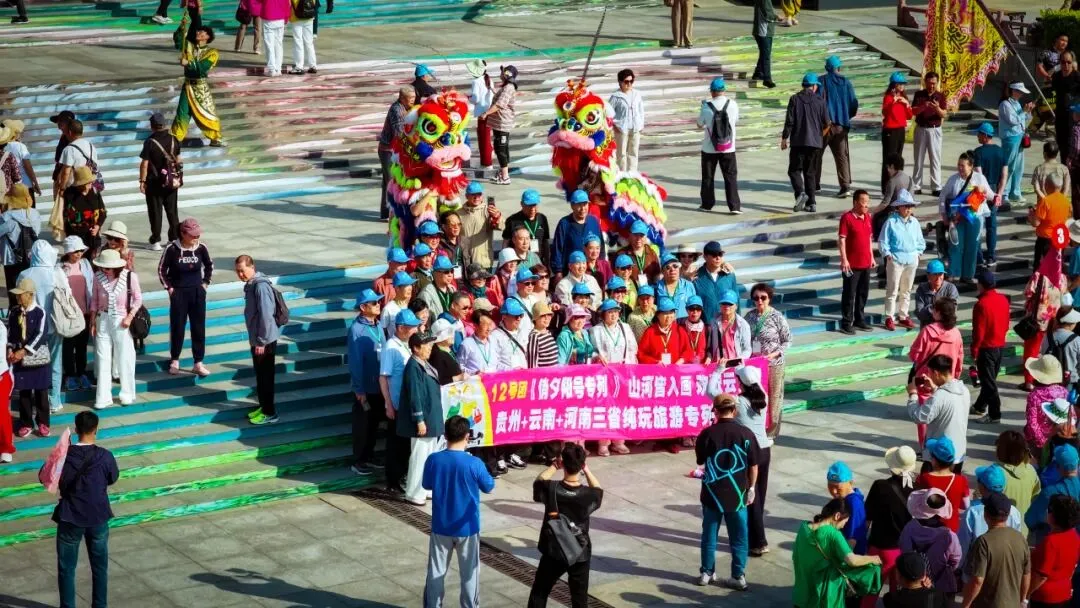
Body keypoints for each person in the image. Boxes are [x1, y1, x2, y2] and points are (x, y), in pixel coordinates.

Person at [422, 415, 496, 608]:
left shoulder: (434, 460)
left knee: (436, 572)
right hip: (468, 528)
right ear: (467, 436)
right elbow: (489, 486)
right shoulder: (474, 464)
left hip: (441, 526)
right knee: (469, 575)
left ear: (445, 435)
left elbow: (426, 484)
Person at [53, 411, 119, 608]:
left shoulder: (64, 456)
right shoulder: (105, 456)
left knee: (66, 569)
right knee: (99, 568)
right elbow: (112, 478)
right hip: (98, 516)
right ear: (96, 429)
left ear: (76, 430)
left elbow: (47, 476)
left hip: (70, 517)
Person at [694, 393, 759, 590]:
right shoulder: (746, 434)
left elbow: (700, 462)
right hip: (738, 496)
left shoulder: (707, 434)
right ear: (735, 410)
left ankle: (707, 572)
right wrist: (752, 488)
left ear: (715, 410)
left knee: (709, 536)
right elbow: (754, 466)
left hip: (712, 495)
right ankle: (738, 576)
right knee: (739, 538)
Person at [527, 443, 603, 608]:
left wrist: (554, 465)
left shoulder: (551, 488)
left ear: (563, 463)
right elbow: (598, 489)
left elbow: (539, 481)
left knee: (540, 592)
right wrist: (586, 469)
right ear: (581, 465)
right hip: (579, 551)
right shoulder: (589, 495)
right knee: (579, 598)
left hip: (554, 550)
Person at [792, 498, 883, 608]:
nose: (843, 526)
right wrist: (872, 559)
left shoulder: (804, 527)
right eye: (845, 522)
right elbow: (852, 560)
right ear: (837, 516)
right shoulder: (833, 534)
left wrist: (846, 546)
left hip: (802, 592)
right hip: (822, 595)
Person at [158, 218, 212, 377]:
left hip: (197, 292)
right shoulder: (172, 249)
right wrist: (170, 289)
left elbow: (209, 266)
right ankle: (175, 359)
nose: (196, 237)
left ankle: (198, 362)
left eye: (197, 234)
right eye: (192, 235)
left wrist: (205, 284)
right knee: (177, 327)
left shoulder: (201, 248)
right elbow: (161, 270)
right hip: (179, 293)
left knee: (198, 327)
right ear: (183, 234)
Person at [863, 446, 917, 606]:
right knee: (896, 595)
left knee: (870, 593)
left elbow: (867, 519)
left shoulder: (880, 486)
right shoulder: (917, 489)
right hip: (903, 550)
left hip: (880, 548)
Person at [89, 249, 140, 411]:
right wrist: (92, 322)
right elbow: (94, 301)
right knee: (102, 358)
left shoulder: (129, 276)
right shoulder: (98, 278)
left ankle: (127, 393)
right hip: (103, 319)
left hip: (121, 320)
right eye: (103, 267)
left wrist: (129, 317)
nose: (105, 270)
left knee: (124, 357)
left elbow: (138, 299)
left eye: (108, 268)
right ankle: (103, 397)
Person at [17, 241, 64, 415]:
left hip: (31, 328)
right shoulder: (56, 273)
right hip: (55, 324)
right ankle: (54, 400)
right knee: (55, 363)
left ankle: (34, 404)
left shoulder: (24, 274)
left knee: (33, 365)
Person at [961, 492, 1031, 608]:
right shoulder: (1020, 538)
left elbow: (978, 580)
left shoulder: (983, 541)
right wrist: (1022, 600)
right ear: (1008, 515)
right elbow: (1026, 574)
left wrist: (965, 605)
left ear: (985, 514)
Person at [397, 331, 443, 507]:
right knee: (420, 456)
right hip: (423, 420)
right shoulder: (413, 367)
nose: (430, 348)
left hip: (431, 417)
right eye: (427, 345)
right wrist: (419, 420)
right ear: (416, 348)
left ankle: (426, 488)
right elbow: (415, 396)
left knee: (430, 455)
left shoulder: (424, 364)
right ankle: (414, 492)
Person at [732, 367, 772, 558]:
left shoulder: (739, 402)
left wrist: (719, 370)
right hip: (765, 450)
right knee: (759, 497)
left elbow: (711, 393)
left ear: (742, 383)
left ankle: (759, 542)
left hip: (751, 453)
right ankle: (755, 536)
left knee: (750, 497)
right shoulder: (762, 395)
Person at [346, 288, 386, 477]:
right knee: (363, 426)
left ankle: (369, 456)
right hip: (366, 388)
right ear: (363, 307)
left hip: (380, 385)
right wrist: (358, 389)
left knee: (374, 424)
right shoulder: (356, 329)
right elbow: (355, 362)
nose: (378, 305)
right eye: (374, 303)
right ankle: (359, 461)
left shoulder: (377, 325)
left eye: (378, 302)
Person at [235, 255, 279, 425]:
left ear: (252, 267)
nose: (240, 274)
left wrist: (261, 341)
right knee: (261, 376)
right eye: (237, 271)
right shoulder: (252, 284)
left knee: (265, 377)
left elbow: (266, 316)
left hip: (264, 340)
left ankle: (270, 412)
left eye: (243, 270)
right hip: (258, 338)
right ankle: (264, 406)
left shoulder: (260, 286)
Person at [939, 153, 995, 282]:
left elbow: (990, 194)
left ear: (971, 166)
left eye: (962, 166)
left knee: (972, 246)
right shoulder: (953, 179)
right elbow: (943, 196)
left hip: (974, 218)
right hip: (957, 218)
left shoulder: (979, 178)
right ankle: (954, 273)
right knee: (955, 245)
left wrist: (994, 196)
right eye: (958, 165)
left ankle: (968, 275)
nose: (960, 168)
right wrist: (944, 216)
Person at [745, 283, 791, 438]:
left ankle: (771, 430)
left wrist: (776, 353)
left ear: (769, 298)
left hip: (773, 364)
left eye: (763, 297)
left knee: (774, 397)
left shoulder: (777, 317)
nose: (760, 301)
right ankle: (757, 427)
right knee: (756, 396)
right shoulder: (749, 317)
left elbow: (787, 340)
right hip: (755, 365)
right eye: (756, 298)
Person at [907, 343, 968, 459]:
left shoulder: (939, 397)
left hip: (940, 455)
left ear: (936, 373)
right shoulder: (963, 389)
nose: (929, 376)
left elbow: (919, 417)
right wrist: (935, 388)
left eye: (930, 373)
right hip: (959, 452)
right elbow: (947, 401)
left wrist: (913, 394)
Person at [898, 488, 961, 596]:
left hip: (914, 582)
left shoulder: (910, 527)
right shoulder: (949, 535)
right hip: (940, 583)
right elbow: (955, 559)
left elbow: (904, 550)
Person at [782, 73, 831, 213]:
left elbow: (789, 122)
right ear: (814, 86)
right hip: (815, 143)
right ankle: (812, 203)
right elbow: (828, 123)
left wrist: (784, 138)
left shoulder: (794, 99)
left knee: (794, 170)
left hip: (798, 142)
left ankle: (800, 193)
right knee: (810, 173)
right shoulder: (820, 101)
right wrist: (819, 136)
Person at [879, 189, 925, 331]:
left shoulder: (915, 222)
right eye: (906, 206)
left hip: (911, 259)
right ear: (899, 207)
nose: (908, 209)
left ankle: (903, 316)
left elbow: (920, 241)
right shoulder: (891, 222)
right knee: (892, 290)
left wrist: (918, 253)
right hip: (896, 259)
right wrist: (887, 255)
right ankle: (889, 317)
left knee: (907, 290)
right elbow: (883, 241)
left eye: (910, 206)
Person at [9, 278, 50, 438]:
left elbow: (40, 334)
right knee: (24, 393)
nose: (18, 298)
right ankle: (26, 423)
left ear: (30, 295)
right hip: (20, 360)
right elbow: (11, 333)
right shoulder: (14, 312)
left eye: (21, 295)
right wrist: (10, 349)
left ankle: (43, 422)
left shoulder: (40, 312)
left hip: (36, 359)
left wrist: (24, 351)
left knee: (41, 393)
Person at [1022, 251, 1068, 390]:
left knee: (1031, 351)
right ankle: (1046, 378)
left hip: (1038, 321)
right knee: (1048, 350)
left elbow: (1028, 292)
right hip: (1054, 321)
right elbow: (1064, 294)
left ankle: (1029, 381)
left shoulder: (1039, 276)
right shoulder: (1062, 277)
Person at [172, 27, 224, 147]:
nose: (198, 33)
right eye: (197, 31)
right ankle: (176, 137)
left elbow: (202, 68)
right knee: (182, 112)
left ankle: (215, 138)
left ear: (207, 37)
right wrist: (182, 26)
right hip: (188, 85)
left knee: (207, 113)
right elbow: (179, 41)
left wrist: (188, 63)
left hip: (200, 88)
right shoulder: (190, 47)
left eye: (201, 32)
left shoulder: (213, 53)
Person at [697, 77, 742, 214]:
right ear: (724, 91)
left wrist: (704, 111)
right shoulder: (733, 104)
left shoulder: (706, 107)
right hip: (728, 147)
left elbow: (699, 124)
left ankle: (707, 204)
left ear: (712, 92)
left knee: (708, 177)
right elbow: (736, 121)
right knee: (730, 177)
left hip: (709, 149)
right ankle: (734, 206)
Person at [815, 55, 858, 198]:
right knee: (842, 157)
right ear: (838, 67)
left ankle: (815, 184)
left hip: (825, 127)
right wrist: (846, 116)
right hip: (841, 126)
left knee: (817, 154)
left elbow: (818, 102)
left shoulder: (821, 81)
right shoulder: (846, 82)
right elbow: (854, 103)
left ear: (827, 68)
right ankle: (845, 186)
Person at [139, 111, 182, 250]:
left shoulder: (149, 142)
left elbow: (144, 163)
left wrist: (142, 181)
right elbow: (178, 159)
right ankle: (174, 239)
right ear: (164, 124)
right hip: (171, 183)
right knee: (172, 212)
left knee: (155, 212)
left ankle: (156, 241)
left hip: (154, 183)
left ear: (152, 126)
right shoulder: (173, 139)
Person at [959, 465, 1021, 559]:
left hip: (976, 567)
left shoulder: (972, 512)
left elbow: (963, 545)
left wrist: (958, 569)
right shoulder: (1015, 512)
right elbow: (1016, 542)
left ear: (982, 487)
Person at [1028, 494, 1080, 608]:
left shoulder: (1051, 541)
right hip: (1064, 592)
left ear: (1054, 516)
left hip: (1045, 598)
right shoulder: (1074, 535)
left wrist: (1026, 593)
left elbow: (1041, 576)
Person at [970, 272, 1009, 422]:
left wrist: (974, 349)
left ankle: (994, 414)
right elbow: (1005, 324)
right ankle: (980, 406)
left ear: (981, 285)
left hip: (986, 348)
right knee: (989, 380)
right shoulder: (1003, 299)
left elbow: (979, 332)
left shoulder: (981, 305)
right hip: (1000, 345)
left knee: (989, 382)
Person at [838, 189, 875, 334]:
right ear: (855, 202)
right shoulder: (847, 218)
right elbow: (842, 240)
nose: (866, 205)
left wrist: (871, 257)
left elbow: (869, 239)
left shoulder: (867, 217)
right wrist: (844, 259)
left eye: (867, 202)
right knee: (849, 294)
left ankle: (860, 319)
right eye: (863, 202)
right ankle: (847, 322)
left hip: (865, 263)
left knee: (863, 293)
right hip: (851, 265)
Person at [59, 236, 93, 392]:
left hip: (84, 313)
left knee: (82, 346)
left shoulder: (85, 264)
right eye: (75, 251)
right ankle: (70, 375)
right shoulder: (59, 267)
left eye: (80, 250)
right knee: (68, 347)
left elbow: (91, 286)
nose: (79, 254)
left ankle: (81, 373)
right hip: (69, 315)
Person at [915, 437, 970, 531]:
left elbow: (916, 503)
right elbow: (966, 505)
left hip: (927, 526)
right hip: (951, 527)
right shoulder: (961, 480)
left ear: (934, 459)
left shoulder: (923, 478)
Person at [0, 184, 40, 310]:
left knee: (14, 293)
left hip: (11, 259)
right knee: (29, 290)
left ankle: (16, 318)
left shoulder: (6, 217)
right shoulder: (35, 214)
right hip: (30, 258)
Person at [377, 88, 416, 220]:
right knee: (390, 181)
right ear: (402, 98)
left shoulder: (406, 108)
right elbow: (400, 133)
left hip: (393, 149)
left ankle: (385, 211)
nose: (413, 101)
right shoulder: (397, 110)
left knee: (387, 181)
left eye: (414, 97)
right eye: (411, 98)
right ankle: (391, 212)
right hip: (387, 150)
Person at [1027, 444, 1080, 537]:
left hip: (1051, 541)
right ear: (1078, 464)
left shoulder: (1049, 492)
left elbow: (1030, 519)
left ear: (1058, 467)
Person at [995, 430, 1041, 536]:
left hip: (999, 533)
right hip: (1022, 532)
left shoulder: (996, 473)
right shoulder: (1031, 471)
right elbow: (1036, 496)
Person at [551, 191, 603, 281]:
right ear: (572, 206)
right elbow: (557, 249)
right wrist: (558, 272)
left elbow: (601, 246)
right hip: (571, 274)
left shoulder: (593, 222)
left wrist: (602, 266)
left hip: (592, 272)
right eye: (579, 205)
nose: (582, 208)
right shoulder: (564, 223)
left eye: (585, 204)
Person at [479, 65, 518, 186]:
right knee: (500, 147)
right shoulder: (507, 87)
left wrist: (486, 113)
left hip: (502, 123)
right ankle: (503, 173)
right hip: (499, 123)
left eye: (502, 72)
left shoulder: (509, 88)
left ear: (507, 75)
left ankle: (505, 177)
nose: (500, 74)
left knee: (501, 149)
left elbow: (500, 104)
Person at [911, 71, 948, 196]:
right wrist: (923, 106)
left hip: (934, 129)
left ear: (937, 83)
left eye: (934, 83)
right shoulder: (919, 94)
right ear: (925, 82)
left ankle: (936, 186)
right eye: (930, 83)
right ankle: (916, 185)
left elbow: (944, 114)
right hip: (921, 128)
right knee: (918, 158)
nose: (932, 86)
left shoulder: (941, 96)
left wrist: (937, 108)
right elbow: (913, 111)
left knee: (935, 159)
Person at [999, 82, 1034, 204]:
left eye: (1022, 92)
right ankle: (1004, 193)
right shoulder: (1005, 104)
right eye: (1019, 92)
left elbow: (1025, 121)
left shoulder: (1017, 104)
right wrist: (1024, 112)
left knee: (1019, 167)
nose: (1021, 94)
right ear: (1013, 91)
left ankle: (1015, 192)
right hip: (1010, 138)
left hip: (1019, 136)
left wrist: (1028, 111)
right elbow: (1012, 120)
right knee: (1008, 166)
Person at [1029, 173, 1071, 268]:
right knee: (1057, 265)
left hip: (1046, 239)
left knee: (1042, 266)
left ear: (1047, 185)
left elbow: (1036, 223)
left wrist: (1031, 215)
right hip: (1060, 237)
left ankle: (1040, 283)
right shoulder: (1065, 200)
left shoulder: (1046, 201)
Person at [62, 166, 106, 257]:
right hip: (76, 239)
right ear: (81, 184)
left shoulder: (94, 192)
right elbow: (69, 218)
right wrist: (86, 227)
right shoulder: (70, 194)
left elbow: (103, 212)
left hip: (93, 237)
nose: (92, 183)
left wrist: (97, 226)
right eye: (89, 182)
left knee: (93, 263)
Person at [826, 461, 869, 555]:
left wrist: (841, 560)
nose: (833, 491)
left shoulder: (854, 504)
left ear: (850, 483)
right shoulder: (844, 499)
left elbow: (852, 539)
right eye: (830, 486)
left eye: (838, 488)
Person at [881, 72, 913, 194]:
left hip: (900, 130)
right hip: (890, 130)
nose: (903, 86)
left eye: (903, 84)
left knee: (898, 158)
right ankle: (886, 187)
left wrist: (907, 104)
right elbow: (885, 112)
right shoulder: (888, 97)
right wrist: (893, 101)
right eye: (900, 84)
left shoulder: (903, 97)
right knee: (889, 160)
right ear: (894, 85)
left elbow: (909, 116)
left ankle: (898, 185)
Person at [882, 552, 949, 608]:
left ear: (899, 576)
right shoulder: (939, 596)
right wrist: (930, 588)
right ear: (924, 575)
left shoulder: (890, 599)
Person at [458, 183, 501, 270]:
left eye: (479, 194)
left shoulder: (488, 211)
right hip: (465, 260)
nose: (476, 197)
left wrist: (496, 217)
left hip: (483, 261)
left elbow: (499, 226)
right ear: (466, 196)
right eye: (473, 194)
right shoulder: (459, 213)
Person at [503, 189, 549, 266]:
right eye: (529, 205)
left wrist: (548, 264)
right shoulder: (512, 220)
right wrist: (505, 261)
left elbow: (545, 242)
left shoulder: (542, 218)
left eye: (535, 205)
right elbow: (506, 242)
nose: (532, 209)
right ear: (522, 204)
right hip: (519, 263)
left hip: (538, 262)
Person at [610, 69, 644, 172]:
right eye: (626, 81)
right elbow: (609, 113)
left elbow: (641, 110)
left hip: (635, 128)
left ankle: (632, 174)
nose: (629, 84)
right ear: (620, 82)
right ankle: (621, 174)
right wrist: (615, 126)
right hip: (621, 129)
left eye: (631, 81)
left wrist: (641, 124)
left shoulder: (637, 94)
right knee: (621, 154)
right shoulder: (615, 96)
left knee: (633, 153)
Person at [0, 119, 42, 204]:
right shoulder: (20, 146)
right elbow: (28, 167)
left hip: (7, 189)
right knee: (28, 214)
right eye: (18, 132)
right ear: (14, 134)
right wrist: (35, 183)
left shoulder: (2, 148)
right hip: (24, 186)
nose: (20, 134)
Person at [705, 289, 750, 365]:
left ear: (736, 306)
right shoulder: (714, 322)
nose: (726, 306)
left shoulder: (743, 324)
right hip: (717, 364)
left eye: (730, 304)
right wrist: (709, 357)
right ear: (720, 305)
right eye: (724, 303)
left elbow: (747, 349)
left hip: (734, 364)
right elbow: (710, 346)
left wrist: (737, 360)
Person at [55, 119, 98, 197]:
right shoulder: (91, 146)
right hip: (90, 187)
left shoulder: (69, 149)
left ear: (70, 132)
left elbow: (66, 172)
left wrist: (62, 188)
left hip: (76, 190)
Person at [467, 59, 495, 171]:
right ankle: (486, 162)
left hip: (482, 113)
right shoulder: (488, 79)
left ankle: (486, 164)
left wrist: (468, 97)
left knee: (483, 138)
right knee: (487, 138)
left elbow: (476, 98)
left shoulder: (476, 82)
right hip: (489, 110)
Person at [1044, 306, 1080, 391]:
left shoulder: (1047, 337)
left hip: (1050, 379)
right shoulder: (1077, 340)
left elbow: (1043, 353)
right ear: (1071, 323)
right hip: (1070, 381)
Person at [913, 260, 957, 327]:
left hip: (945, 328)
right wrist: (940, 307)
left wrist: (929, 309)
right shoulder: (921, 289)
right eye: (935, 274)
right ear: (928, 276)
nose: (938, 277)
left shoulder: (950, 288)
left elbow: (951, 311)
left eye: (940, 274)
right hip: (928, 329)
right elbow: (920, 314)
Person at [655, 253, 696, 319]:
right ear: (662, 271)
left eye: (675, 266)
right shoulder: (656, 288)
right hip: (665, 326)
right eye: (668, 267)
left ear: (679, 268)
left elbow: (694, 307)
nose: (672, 269)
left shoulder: (688, 285)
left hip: (683, 326)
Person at [1032, 141, 1070, 207]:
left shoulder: (1039, 169)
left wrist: (1046, 201)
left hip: (1043, 206)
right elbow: (1066, 188)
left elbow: (1037, 189)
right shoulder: (1064, 169)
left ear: (1044, 153)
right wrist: (1060, 201)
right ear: (1057, 153)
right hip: (1059, 206)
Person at [379, 271, 416, 339]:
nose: (410, 288)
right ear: (397, 288)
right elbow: (382, 333)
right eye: (406, 285)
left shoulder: (412, 305)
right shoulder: (388, 309)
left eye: (410, 284)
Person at [260, 0, 290, 77]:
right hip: (280, 18)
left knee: (270, 45)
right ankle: (278, 69)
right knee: (279, 45)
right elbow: (287, 5)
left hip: (268, 17)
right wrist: (286, 18)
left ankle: (272, 69)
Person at [750, 0, 776, 89]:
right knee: (766, 56)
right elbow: (768, 16)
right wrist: (778, 18)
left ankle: (758, 73)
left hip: (758, 30)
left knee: (763, 53)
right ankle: (767, 79)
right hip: (764, 31)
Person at [287, 0, 317, 74]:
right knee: (309, 42)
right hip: (309, 16)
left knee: (298, 42)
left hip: (296, 18)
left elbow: (289, 4)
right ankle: (312, 65)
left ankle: (299, 66)